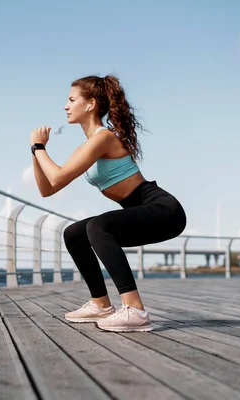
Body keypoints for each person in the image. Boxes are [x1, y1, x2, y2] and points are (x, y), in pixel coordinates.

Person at [29, 74, 186, 332]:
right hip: (141, 210)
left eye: (71, 100)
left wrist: (39, 146)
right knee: (75, 233)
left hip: (163, 210)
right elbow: (48, 187)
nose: (65, 106)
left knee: (98, 226)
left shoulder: (103, 138)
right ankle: (101, 304)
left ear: (90, 104)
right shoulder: (88, 146)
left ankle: (134, 310)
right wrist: (35, 152)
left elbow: (55, 176)